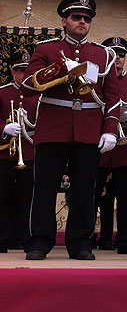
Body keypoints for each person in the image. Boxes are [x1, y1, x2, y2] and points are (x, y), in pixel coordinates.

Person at [22, 0, 120, 260]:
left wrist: (110, 129)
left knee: (84, 190)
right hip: (53, 127)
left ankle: (80, 243)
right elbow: (27, 87)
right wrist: (58, 70)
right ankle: (40, 242)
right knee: (45, 188)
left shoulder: (103, 54)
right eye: (77, 17)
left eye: (87, 19)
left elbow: (112, 97)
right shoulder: (46, 49)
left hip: (88, 129)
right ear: (64, 20)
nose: (82, 22)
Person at [94, 37, 127, 255]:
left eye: (122, 54)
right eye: (113, 53)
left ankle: (126, 241)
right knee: (93, 197)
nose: (117, 58)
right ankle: (89, 237)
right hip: (100, 147)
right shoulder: (96, 79)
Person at [0, 51, 37, 252]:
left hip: (29, 152)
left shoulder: (38, 95)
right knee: (2, 196)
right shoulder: (3, 92)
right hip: (5, 153)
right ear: (12, 71)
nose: (24, 74)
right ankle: (2, 238)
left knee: (26, 197)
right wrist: (3, 129)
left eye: (27, 70)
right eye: (20, 71)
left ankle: (23, 238)